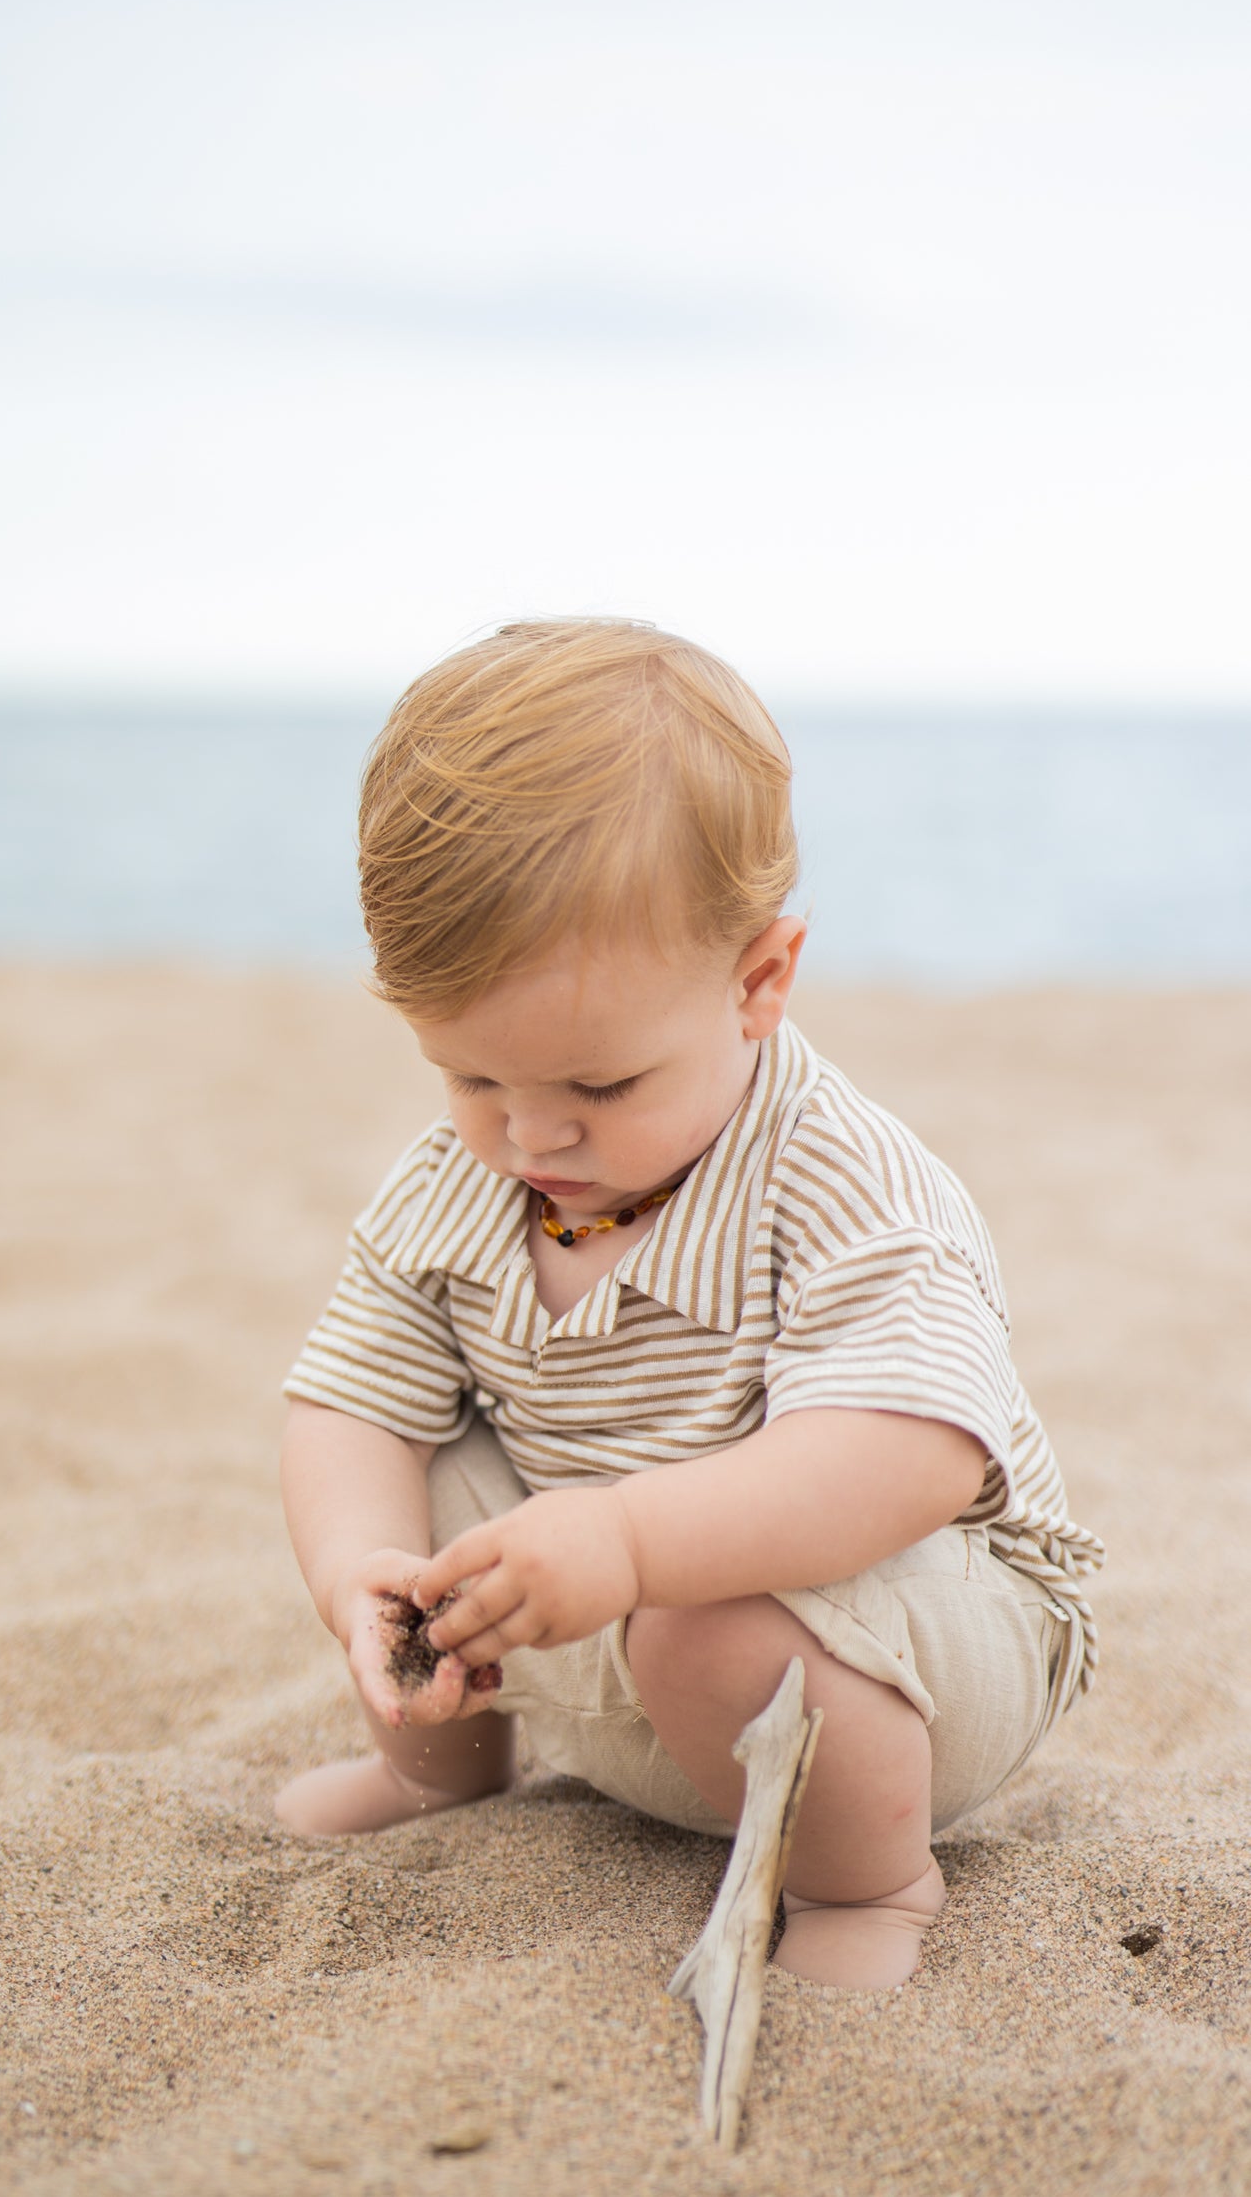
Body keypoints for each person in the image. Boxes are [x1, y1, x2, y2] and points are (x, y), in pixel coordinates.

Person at [275, 618, 1103, 1990]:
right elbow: (351, 1395)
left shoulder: (842, 1177)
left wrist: (635, 1538)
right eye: (470, 1077)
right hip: (622, 1630)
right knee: (404, 1481)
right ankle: (439, 1762)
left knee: (706, 1616)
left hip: (909, 1657)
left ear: (759, 981)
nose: (533, 1135)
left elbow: (912, 1452)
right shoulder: (463, 1179)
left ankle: (870, 1882)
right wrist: (353, 1563)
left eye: (599, 1086)